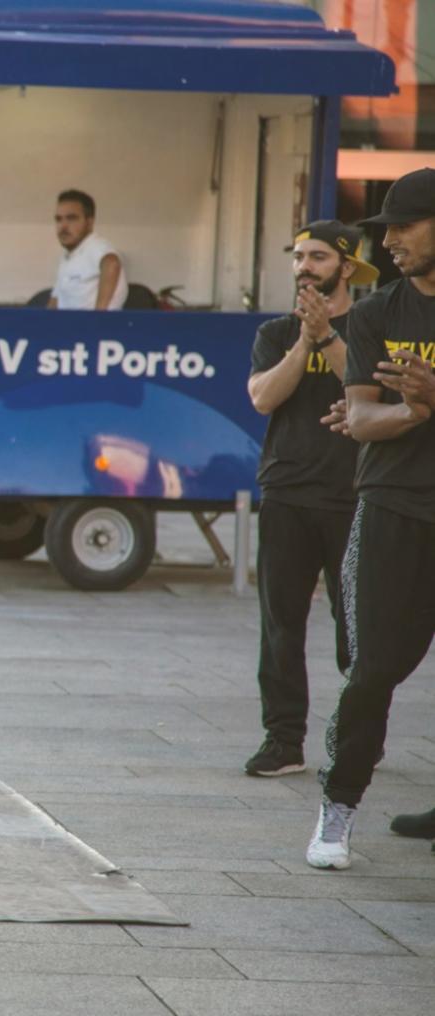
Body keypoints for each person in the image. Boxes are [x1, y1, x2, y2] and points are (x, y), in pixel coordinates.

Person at [310, 166, 435, 869]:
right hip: (392, 510)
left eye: (404, 227)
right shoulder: (377, 314)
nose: (388, 242)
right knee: (372, 671)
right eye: (384, 229)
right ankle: (339, 806)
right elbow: (358, 416)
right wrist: (414, 412)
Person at [243, 221, 375, 779]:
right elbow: (263, 397)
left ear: (345, 267)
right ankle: (283, 740)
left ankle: (357, 737)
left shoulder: (370, 326)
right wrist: (304, 339)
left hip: (353, 496)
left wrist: (327, 337)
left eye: (317, 257)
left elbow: (366, 386)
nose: (303, 267)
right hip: (286, 492)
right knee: (280, 623)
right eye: (298, 257)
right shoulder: (276, 333)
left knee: (358, 629)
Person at [49, 189, 126, 311]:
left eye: (71, 218)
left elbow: (112, 263)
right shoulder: (68, 255)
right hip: (67, 327)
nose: (63, 226)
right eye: (59, 219)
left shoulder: (96, 246)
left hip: (93, 328)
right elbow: (56, 300)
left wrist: (97, 318)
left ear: (89, 222)